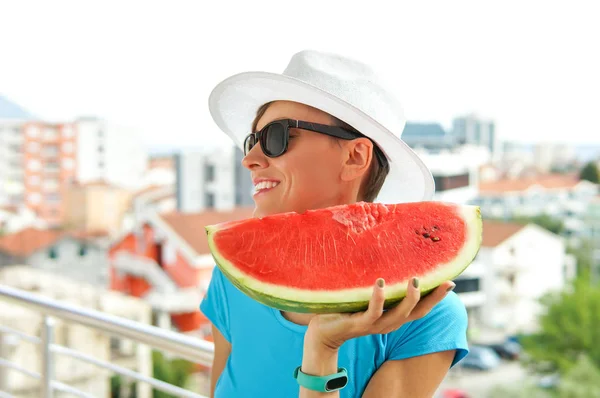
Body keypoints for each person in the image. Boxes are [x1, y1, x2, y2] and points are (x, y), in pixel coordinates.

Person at [200, 50, 469, 398]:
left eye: (275, 137)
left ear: (355, 156)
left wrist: (323, 350)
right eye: (252, 142)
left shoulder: (426, 314)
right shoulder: (233, 275)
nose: (249, 159)